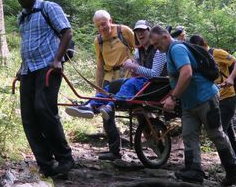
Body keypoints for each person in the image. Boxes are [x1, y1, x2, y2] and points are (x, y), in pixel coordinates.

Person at [150, 26, 236, 186]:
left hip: (205, 98)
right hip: (189, 103)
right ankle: (193, 170)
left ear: (165, 37)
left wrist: (173, 98)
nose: (156, 48)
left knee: (215, 133)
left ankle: (233, 167)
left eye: (157, 44)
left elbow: (187, 73)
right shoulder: (170, 50)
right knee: (189, 134)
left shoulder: (177, 49)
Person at [66, 20, 167, 151]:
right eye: (137, 32)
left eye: (143, 31)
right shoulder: (139, 51)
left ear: (150, 31)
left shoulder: (158, 50)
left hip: (154, 85)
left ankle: (110, 106)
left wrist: (134, 67)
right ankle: (90, 105)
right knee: (112, 86)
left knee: (129, 84)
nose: (140, 34)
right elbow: (103, 65)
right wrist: (133, 66)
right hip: (140, 82)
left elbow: (155, 74)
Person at [10, 0, 75, 178]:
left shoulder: (48, 8)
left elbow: (67, 32)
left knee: (44, 109)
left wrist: (57, 60)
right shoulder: (23, 17)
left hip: (48, 67)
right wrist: (21, 68)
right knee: (29, 117)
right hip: (29, 70)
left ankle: (65, 158)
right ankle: (46, 163)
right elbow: (26, 45)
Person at [189, 35, 236, 174]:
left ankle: (232, 166)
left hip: (228, 98)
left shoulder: (217, 53)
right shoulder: (199, 57)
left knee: (219, 133)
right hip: (215, 99)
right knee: (229, 134)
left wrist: (230, 78)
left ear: (203, 45)